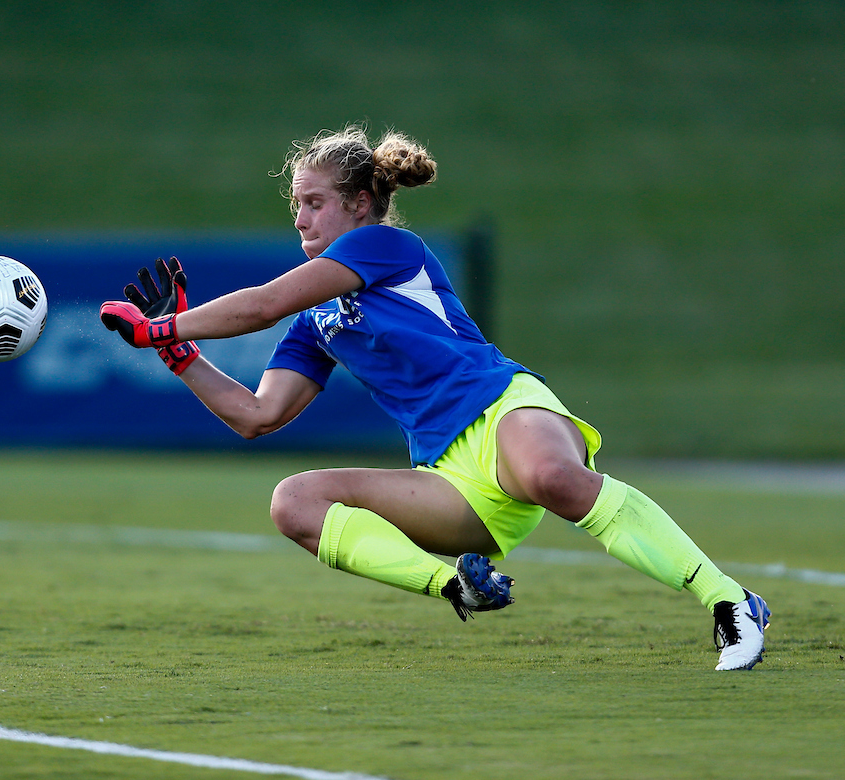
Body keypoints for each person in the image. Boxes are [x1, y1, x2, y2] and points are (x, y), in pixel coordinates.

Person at [99, 124, 771, 671]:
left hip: (502, 407)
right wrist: (175, 352)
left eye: (314, 201)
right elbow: (256, 415)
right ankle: (458, 585)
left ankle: (729, 601)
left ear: (359, 202)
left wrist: (162, 323)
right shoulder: (317, 322)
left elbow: (266, 304)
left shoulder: (384, 246)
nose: (301, 216)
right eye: (296, 203)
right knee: (293, 502)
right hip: (449, 475)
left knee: (552, 477)